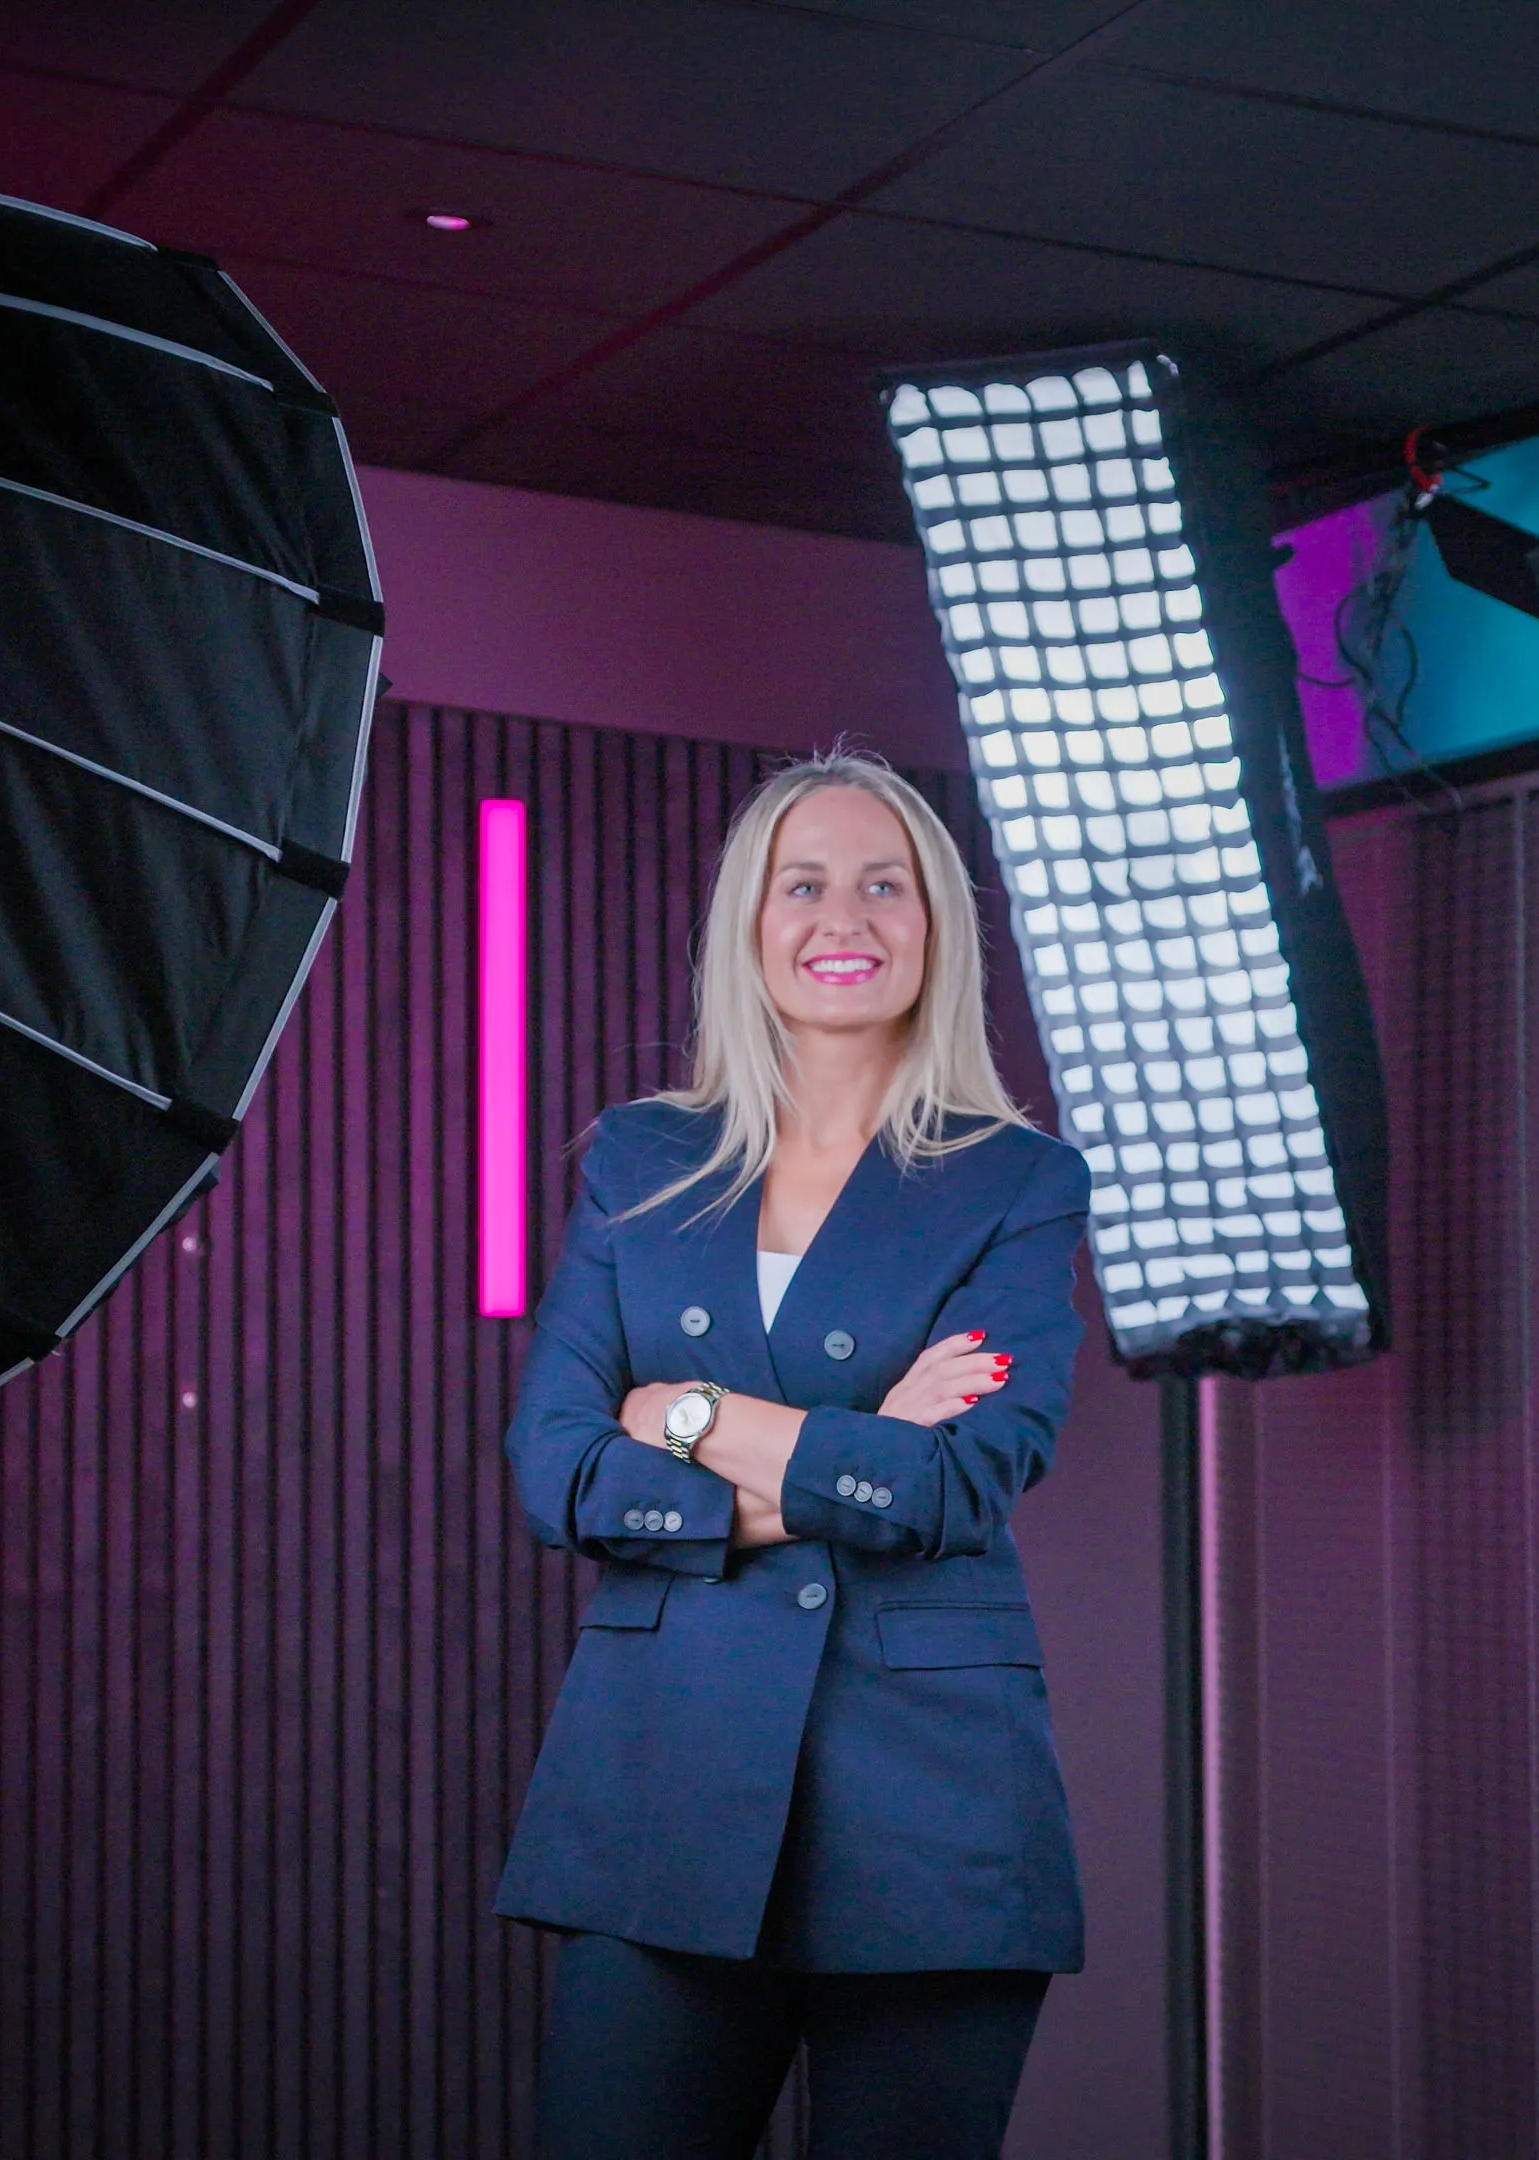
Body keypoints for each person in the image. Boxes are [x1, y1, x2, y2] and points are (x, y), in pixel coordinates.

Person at [496, 751, 1093, 2159]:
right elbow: (555, 1467)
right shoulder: (640, 1162)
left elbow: (958, 1482)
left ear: (935, 925)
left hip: (933, 1806)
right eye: (805, 883)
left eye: (886, 884)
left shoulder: (1018, 1177)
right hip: (662, 1783)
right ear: (749, 926)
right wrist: (859, 1447)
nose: (847, 916)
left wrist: (692, 1414)